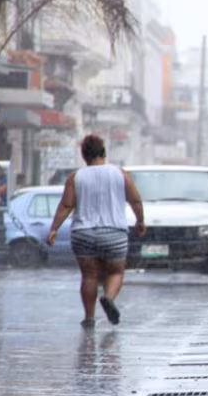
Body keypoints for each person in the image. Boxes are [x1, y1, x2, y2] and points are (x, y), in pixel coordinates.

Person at [47, 134, 145, 328]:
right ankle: (108, 297)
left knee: (89, 275)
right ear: (104, 152)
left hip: (84, 233)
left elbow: (66, 205)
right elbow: (135, 200)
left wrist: (54, 229)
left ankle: (89, 317)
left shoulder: (76, 177)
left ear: (84, 155)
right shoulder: (120, 174)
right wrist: (140, 221)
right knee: (116, 272)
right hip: (114, 232)